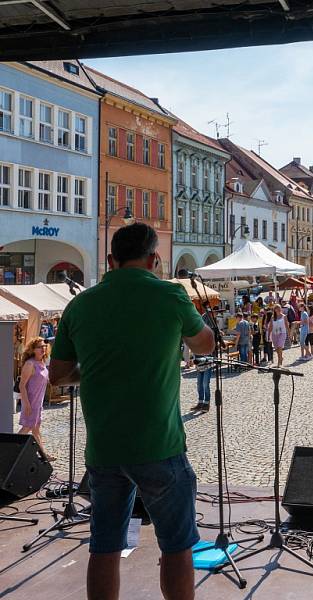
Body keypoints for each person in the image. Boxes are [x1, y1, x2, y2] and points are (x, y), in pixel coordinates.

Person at [48, 222, 215, 600]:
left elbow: (58, 376)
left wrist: (94, 371)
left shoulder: (81, 303)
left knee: (104, 546)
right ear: (155, 259)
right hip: (159, 445)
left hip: (104, 449)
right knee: (176, 545)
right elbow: (205, 345)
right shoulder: (170, 296)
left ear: (111, 261)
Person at [17, 337, 54, 461]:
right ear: (33, 350)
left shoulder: (42, 363)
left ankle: (44, 455)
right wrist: (26, 404)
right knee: (27, 428)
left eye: (44, 346)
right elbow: (22, 385)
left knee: (36, 429)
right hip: (31, 402)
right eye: (39, 347)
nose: (43, 348)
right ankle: (8, 449)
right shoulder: (30, 364)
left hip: (38, 403)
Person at [192, 312, 216, 412]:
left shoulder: (210, 333)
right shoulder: (197, 333)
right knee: (199, 384)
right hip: (199, 362)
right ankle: (200, 402)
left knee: (206, 383)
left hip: (207, 361)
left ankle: (206, 403)